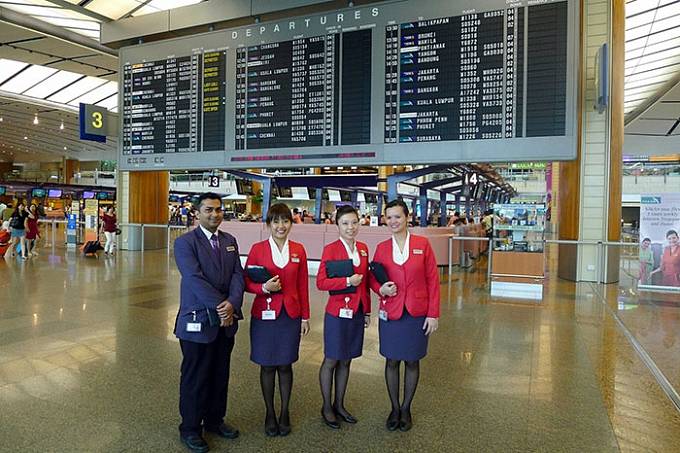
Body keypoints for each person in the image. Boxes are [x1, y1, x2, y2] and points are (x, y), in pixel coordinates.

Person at [173, 192, 245, 453]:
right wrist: (221, 305)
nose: (214, 214)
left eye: (218, 210)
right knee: (195, 376)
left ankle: (215, 420)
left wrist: (233, 304)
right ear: (197, 213)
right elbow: (194, 278)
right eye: (208, 210)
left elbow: (238, 274)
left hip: (226, 323)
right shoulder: (185, 243)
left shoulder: (230, 241)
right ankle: (190, 428)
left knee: (219, 374)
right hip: (198, 321)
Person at [369, 199, 440, 432]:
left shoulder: (422, 244)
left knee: (412, 360)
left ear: (407, 217)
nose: (393, 221)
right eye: (388, 217)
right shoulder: (381, 248)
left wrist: (433, 314)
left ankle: (406, 408)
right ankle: (394, 407)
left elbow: (433, 281)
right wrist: (381, 289)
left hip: (417, 313)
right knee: (391, 360)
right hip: (391, 311)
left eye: (397, 216)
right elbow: (373, 278)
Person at [244, 203, 310, 437]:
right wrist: (263, 287)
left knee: (285, 364)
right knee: (267, 364)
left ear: (291, 223)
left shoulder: (299, 250)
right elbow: (246, 282)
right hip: (264, 315)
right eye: (276, 221)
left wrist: (305, 316)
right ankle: (270, 412)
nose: (281, 226)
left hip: (290, 315)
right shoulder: (257, 249)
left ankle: (285, 411)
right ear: (268, 224)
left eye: (285, 221)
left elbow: (303, 285)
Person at [316, 205, 371, 429]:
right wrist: (348, 282)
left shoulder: (364, 249)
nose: (351, 227)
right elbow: (321, 282)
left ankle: (340, 404)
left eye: (354, 222)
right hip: (337, 313)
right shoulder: (331, 249)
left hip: (356, 312)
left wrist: (367, 310)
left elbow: (365, 284)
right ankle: (326, 406)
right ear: (337, 225)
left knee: (347, 359)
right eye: (345, 223)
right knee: (332, 359)